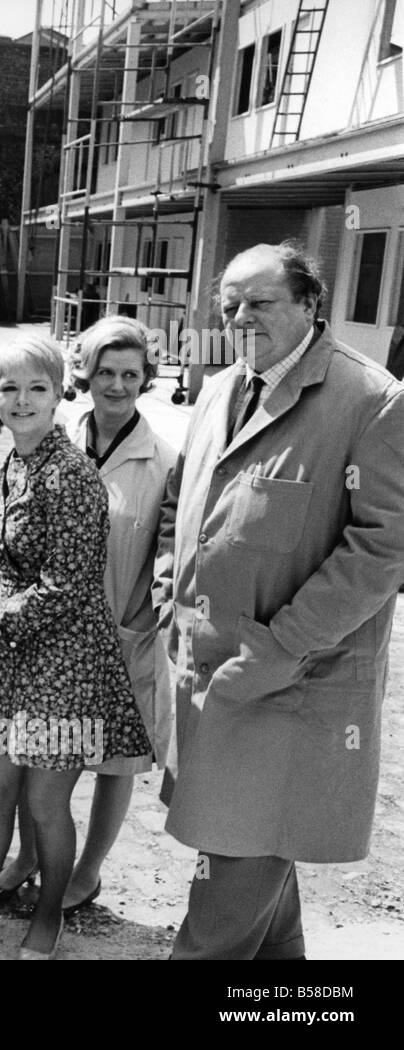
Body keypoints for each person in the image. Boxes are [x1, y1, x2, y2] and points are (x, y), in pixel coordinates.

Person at [154, 241, 404, 960]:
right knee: (260, 881)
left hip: (293, 688)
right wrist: (171, 590)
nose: (240, 317)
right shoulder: (218, 389)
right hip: (215, 679)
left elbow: (382, 549)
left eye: (260, 302)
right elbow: (185, 505)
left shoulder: (371, 400)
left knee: (220, 912)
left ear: (309, 304)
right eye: (229, 304)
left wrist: (281, 646)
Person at [0, 335, 150, 961]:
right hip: (14, 655)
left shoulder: (74, 474)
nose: (21, 400)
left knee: (43, 800)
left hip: (66, 660)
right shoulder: (10, 463)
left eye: (37, 387)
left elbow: (68, 584)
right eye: (9, 388)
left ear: (58, 392)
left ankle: (47, 918)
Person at [60, 316, 175, 913]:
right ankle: (36, 856)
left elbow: (169, 554)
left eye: (130, 373)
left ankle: (87, 870)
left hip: (123, 634)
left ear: (146, 379)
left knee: (114, 760)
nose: (116, 385)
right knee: (48, 755)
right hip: (51, 637)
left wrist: (136, 624)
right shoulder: (52, 441)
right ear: (84, 373)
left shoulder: (164, 461)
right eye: (105, 371)